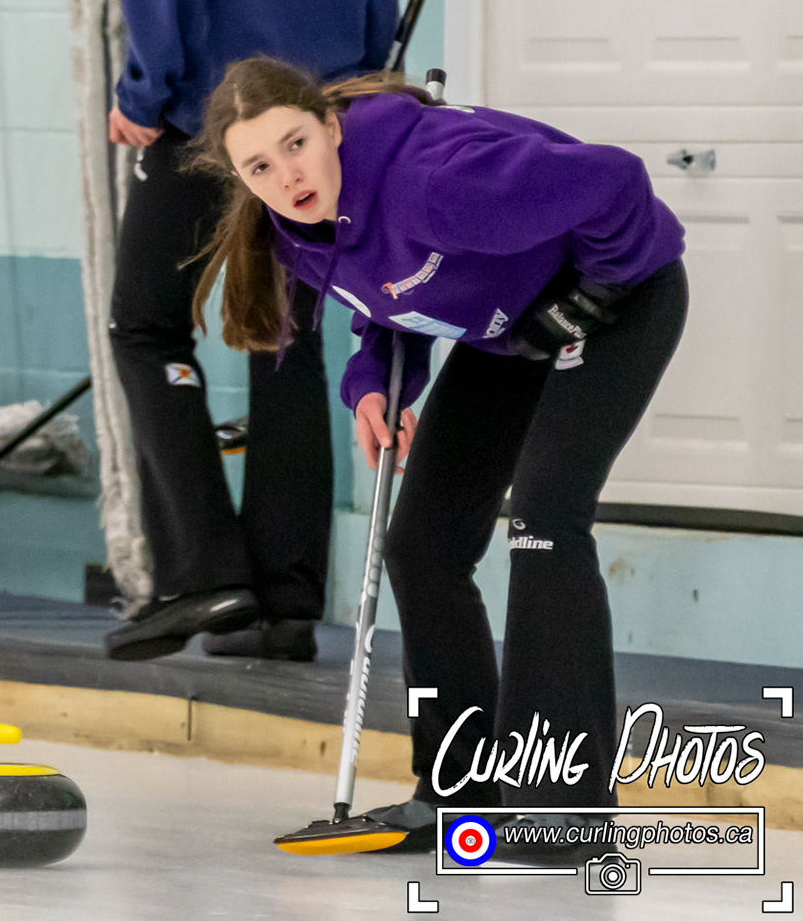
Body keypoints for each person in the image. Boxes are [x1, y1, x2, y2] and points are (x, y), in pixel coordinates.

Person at [192, 56, 686, 854]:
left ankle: (565, 808)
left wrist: (594, 293)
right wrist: (370, 387)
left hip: (623, 292)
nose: (287, 176)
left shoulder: (436, 182)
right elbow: (385, 297)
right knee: (422, 546)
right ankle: (461, 794)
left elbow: (616, 182)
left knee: (544, 521)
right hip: (511, 327)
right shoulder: (298, 231)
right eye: (259, 166)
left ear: (330, 127)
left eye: (295, 144)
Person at [102, 0, 398, 664]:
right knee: (287, 347)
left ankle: (205, 573)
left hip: (212, 123)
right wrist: (352, 105)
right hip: (317, 125)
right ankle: (284, 602)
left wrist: (142, 92)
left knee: (145, 326)